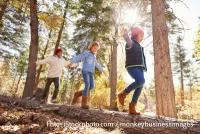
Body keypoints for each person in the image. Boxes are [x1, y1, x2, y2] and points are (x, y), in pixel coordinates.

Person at [118, 27, 147, 115]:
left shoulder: (139, 46)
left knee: (140, 85)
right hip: (132, 66)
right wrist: (125, 35)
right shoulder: (131, 43)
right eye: (141, 35)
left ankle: (132, 107)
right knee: (141, 81)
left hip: (140, 68)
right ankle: (123, 93)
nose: (142, 37)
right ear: (136, 35)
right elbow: (128, 41)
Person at [69, 41, 105, 109]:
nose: (95, 49)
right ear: (91, 47)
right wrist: (72, 61)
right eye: (94, 48)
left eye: (97, 49)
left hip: (91, 72)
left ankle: (77, 94)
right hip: (85, 71)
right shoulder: (87, 53)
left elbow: (96, 64)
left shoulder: (94, 56)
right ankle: (84, 103)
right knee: (87, 85)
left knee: (91, 86)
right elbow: (79, 57)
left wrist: (102, 69)